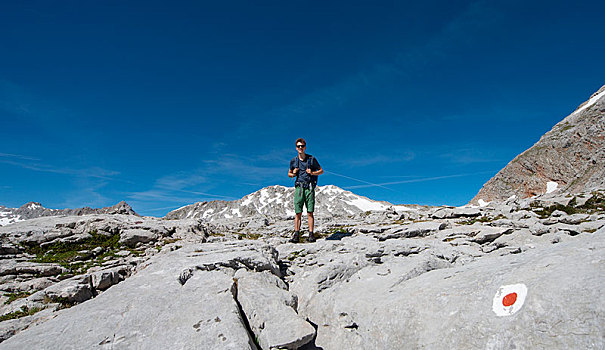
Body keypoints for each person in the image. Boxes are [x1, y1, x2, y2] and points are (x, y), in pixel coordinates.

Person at [288, 138, 323, 243]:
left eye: (302, 146)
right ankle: (296, 234)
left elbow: (321, 171)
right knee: (298, 213)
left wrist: (312, 172)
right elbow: (289, 174)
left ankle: (311, 234)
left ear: (305, 147)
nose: (300, 148)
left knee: (310, 212)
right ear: (296, 148)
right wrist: (293, 173)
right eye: (298, 146)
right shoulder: (293, 161)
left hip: (309, 187)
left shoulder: (311, 159)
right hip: (299, 188)